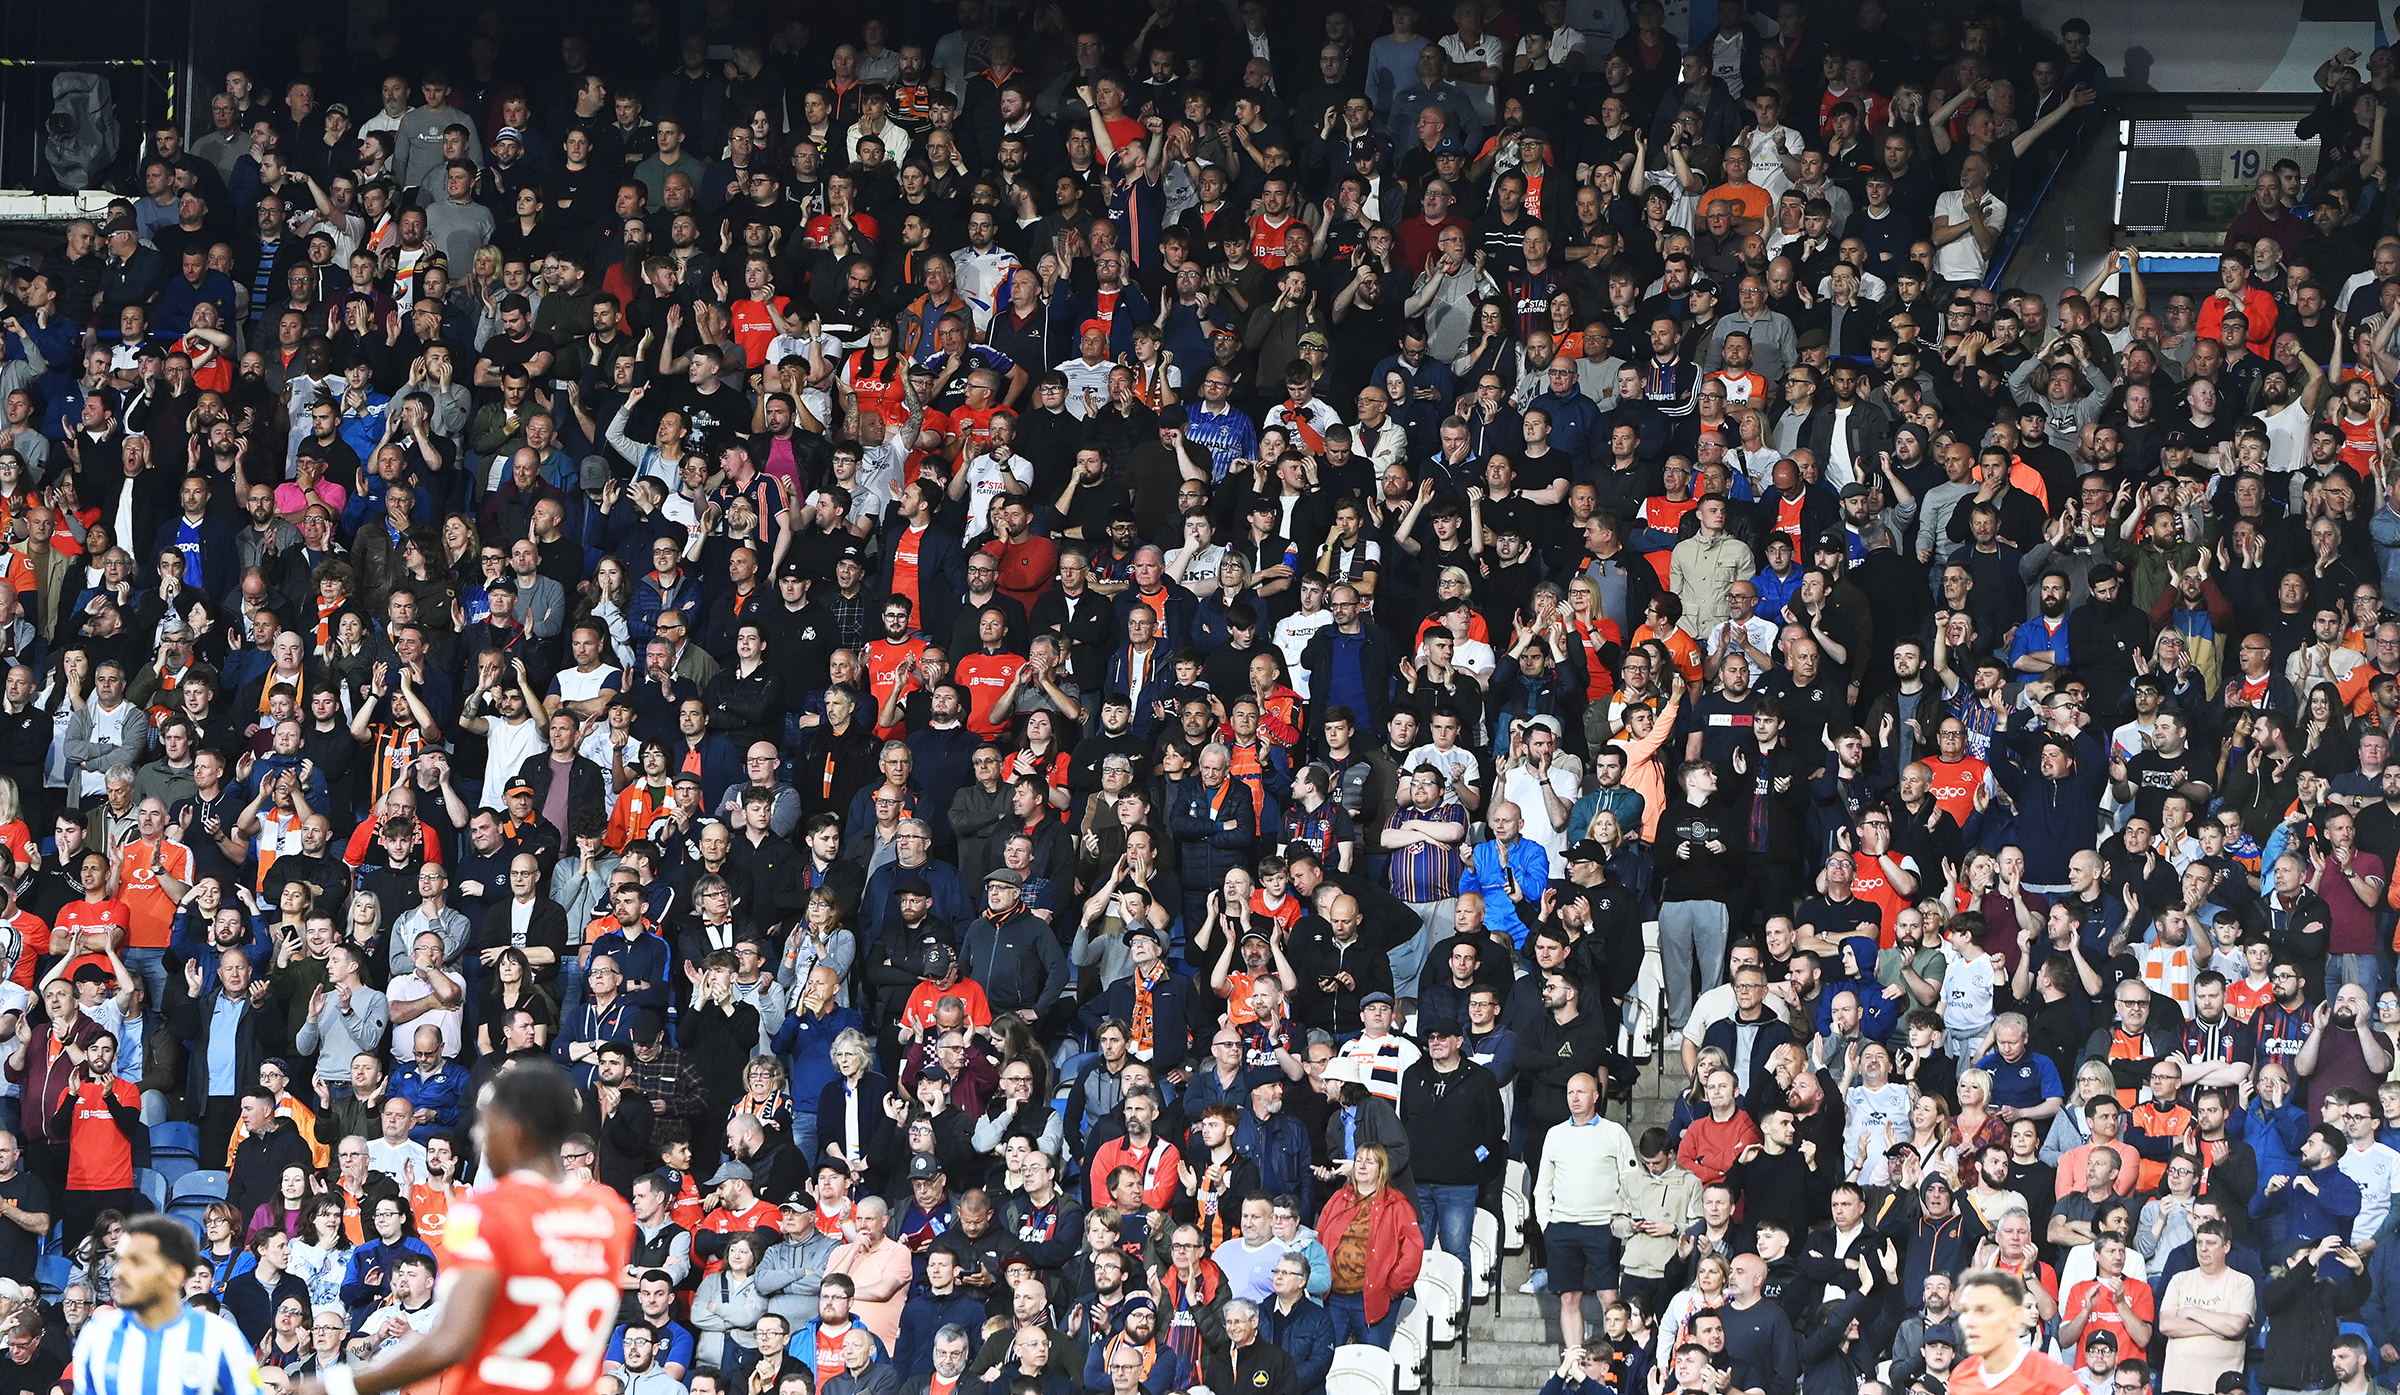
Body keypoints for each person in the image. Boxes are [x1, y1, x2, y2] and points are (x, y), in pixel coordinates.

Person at [283, 1062, 633, 1395]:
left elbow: (450, 1341)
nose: (479, 1136)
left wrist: (338, 1385)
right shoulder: (610, 1213)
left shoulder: (489, 1211)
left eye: (487, 1123)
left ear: (516, 1130)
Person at [71, 1215, 264, 1395]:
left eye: (137, 1262)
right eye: (121, 1260)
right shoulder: (96, 1335)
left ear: (175, 1275)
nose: (120, 1272)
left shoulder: (222, 1337)